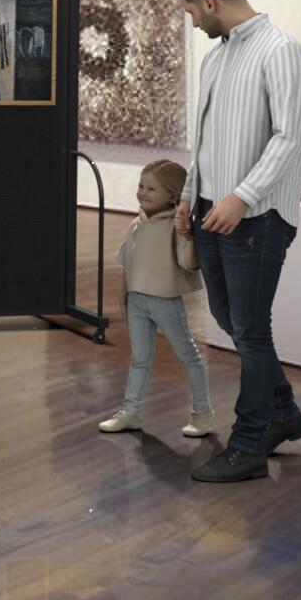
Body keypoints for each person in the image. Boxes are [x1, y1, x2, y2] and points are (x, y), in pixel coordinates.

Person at [172, 0, 301, 483]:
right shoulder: (215, 58)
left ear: (210, 3)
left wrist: (241, 197)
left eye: (191, 11)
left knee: (250, 330)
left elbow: (289, 138)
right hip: (211, 211)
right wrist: (189, 196)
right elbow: (206, 141)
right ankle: (284, 412)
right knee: (229, 319)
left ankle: (249, 444)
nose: (192, 22)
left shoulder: (282, 51)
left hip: (258, 217)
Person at [98, 158, 215, 437]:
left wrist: (190, 237)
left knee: (188, 355)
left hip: (165, 302)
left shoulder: (175, 227)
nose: (142, 192)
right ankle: (131, 412)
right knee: (139, 358)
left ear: (173, 196)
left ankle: (203, 414)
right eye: (141, 186)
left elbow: (189, 263)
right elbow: (129, 265)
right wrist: (124, 298)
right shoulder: (135, 225)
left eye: (151, 188)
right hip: (137, 302)